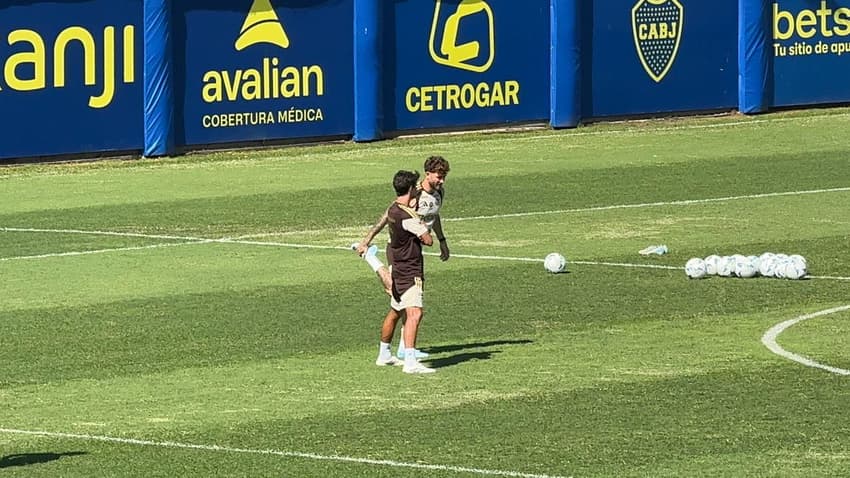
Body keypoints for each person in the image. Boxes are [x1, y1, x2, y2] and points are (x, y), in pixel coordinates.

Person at [356, 156, 450, 359]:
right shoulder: (413, 193)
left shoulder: (439, 192)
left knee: (401, 305)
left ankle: (398, 349)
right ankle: (371, 258)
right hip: (401, 252)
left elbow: (434, 216)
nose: (442, 181)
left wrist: (442, 240)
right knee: (400, 295)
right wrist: (368, 238)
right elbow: (391, 213)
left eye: (444, 177)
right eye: (439, 176)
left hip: (414, 250)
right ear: (428, 173)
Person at [373, 170, 435, 374]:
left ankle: (384, 354)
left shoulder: (393, 209)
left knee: (396, 311)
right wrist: (424, 225)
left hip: (397, 267)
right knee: (415, 312)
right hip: (410, 270)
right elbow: (428, 240)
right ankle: (410, 361)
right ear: (410, 189)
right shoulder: (409, 216)